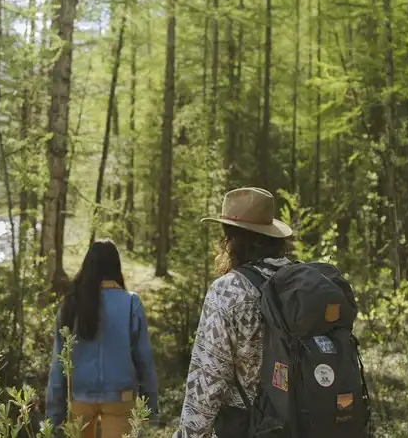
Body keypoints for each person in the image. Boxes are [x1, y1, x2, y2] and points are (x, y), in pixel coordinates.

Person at [173, 187, 294, 438]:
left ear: (232, 239)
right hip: (304, 421)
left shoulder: (229, 290)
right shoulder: (298, 281)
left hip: (251, 426)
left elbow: (206, 381)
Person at [47, 239, 159, 438]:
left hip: (79, 397)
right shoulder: (130, 303)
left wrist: (54, 414)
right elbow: (144, 360)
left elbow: (58, 363)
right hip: (121, 398)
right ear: (116, 267)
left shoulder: (71, 304)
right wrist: (150, 405)